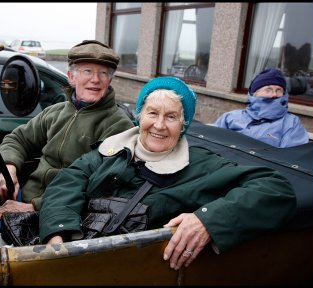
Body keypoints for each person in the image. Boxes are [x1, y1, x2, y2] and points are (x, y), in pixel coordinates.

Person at [39, 76, 297, 270]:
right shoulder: (112, 149)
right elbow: (66, 183)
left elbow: (276, 189)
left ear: (183, 124)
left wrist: (207, 220)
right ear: (139, 115)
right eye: (152, 113)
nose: (159, 125)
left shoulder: (202, 165)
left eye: (171, 116)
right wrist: (57, 236)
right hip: (77, 256)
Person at [0, 40, 135, 230]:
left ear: (109, 80)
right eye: (87, 71)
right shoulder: (56, 112)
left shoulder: (118, 125)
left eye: (103, 73)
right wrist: (9, 168)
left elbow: (98, 187)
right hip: (25, 194)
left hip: (61, 213)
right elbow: (18, 139)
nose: (96, 79)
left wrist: (32, 207)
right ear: (71, 77)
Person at [213, 68, 309, 148]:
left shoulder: (291, 123)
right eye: (268, 90)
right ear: (254, 93)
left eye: (279, 90)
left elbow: (291, 160)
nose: (274, 95)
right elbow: (211, 142)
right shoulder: (230, 117)